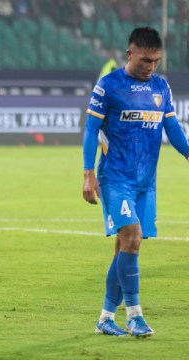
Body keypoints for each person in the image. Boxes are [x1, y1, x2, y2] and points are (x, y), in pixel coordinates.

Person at [83, 27, 189, 338]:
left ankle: (105, 317)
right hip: (115, 177)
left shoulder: (161, 87)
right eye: (145, 60)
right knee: (133, 237)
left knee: (124, 248)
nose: (150, 67)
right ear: (130, 54)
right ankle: (134, 315)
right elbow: (91, 130)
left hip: (146, 181)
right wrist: (88, 174)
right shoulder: (109, 85)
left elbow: (173, 128)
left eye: (156, 61)